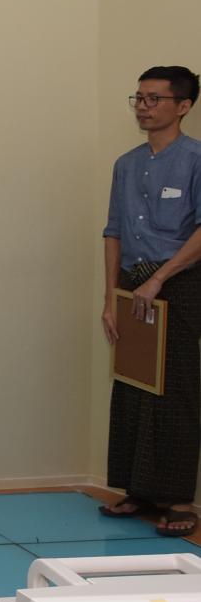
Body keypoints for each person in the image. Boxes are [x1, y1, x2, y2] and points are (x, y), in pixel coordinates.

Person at [98, 66, 201, 537]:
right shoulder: (126, 163)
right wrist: (110, 298)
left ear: (183, 106)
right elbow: (114, 231)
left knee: (174, 391)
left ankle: (177, 500)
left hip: (177, 282)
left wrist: (159, 279)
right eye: (139, 98)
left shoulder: (195, 160)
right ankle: (137, 489)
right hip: (132, 284)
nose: (143, 106)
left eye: (154, 99)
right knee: (133, 385)